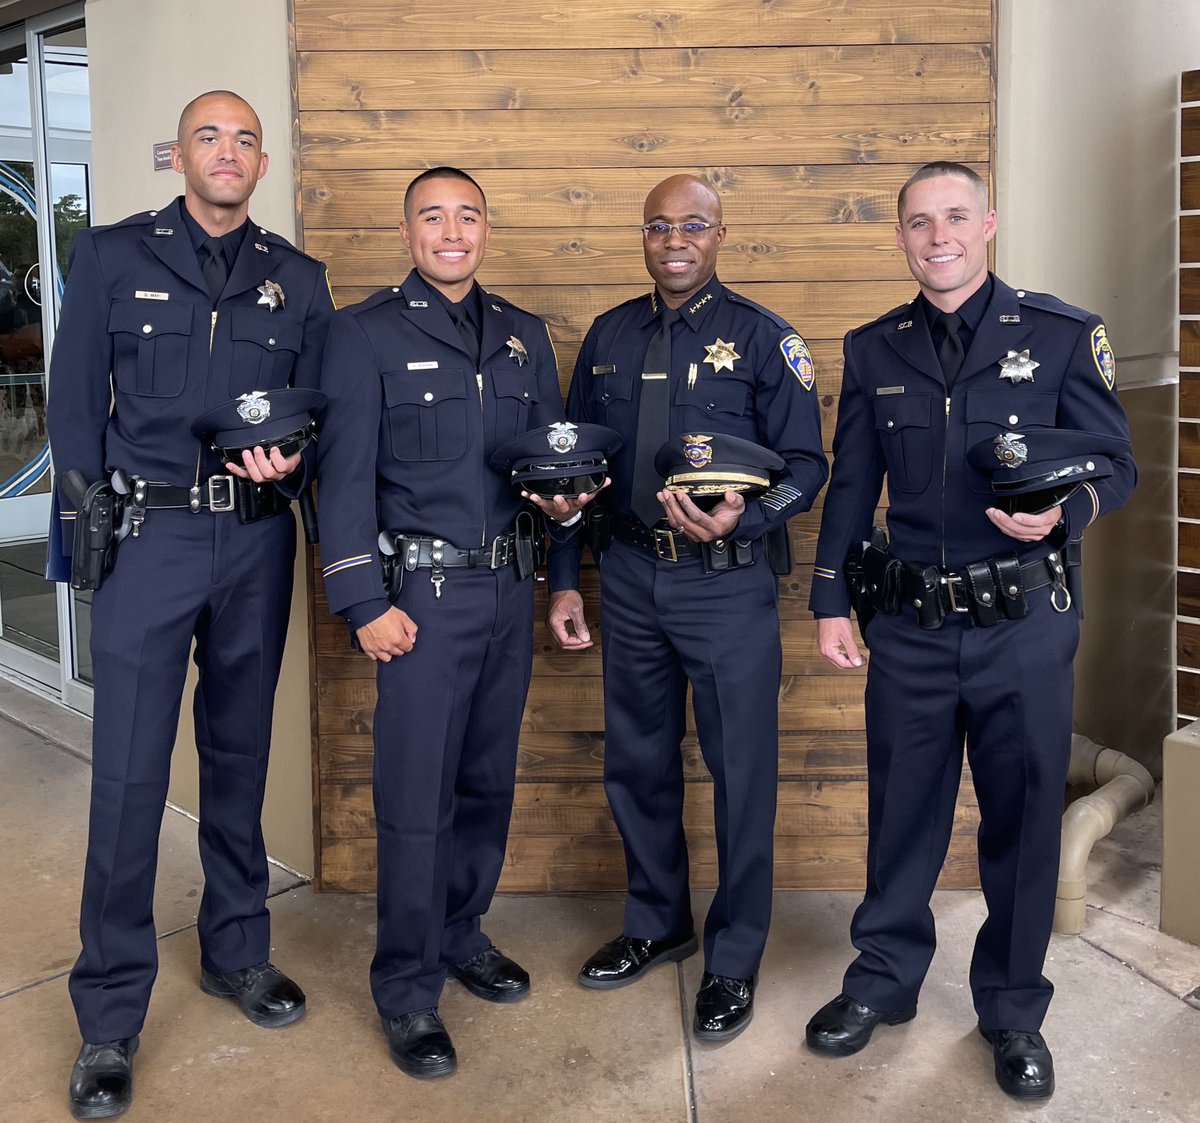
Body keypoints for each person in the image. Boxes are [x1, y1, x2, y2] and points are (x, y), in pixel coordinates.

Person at [804, 161, 1136, 1101]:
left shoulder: (1064, 335)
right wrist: (832, 597)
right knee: (901, 814)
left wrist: (1065, 516)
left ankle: (1013, 1008)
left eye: (955, 216)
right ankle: (883, 982)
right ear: (900, 237)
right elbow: (853, 481)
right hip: (908, 624)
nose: (937, 235)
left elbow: (1117, 463)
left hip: (1024, 625)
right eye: (919, 222)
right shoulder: (873, 349)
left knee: (1024, 820)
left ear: (988, 224)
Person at [45, 90, 334, 1119]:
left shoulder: (297, 279)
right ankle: (111, 1013)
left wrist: (291, 464)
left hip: (255, 539)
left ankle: (236, 951)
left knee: (240, 756)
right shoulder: (117, 257)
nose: (228, 151)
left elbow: (321, 415)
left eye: (245, 139)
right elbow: (75, 408)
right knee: (126, 776)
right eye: (210, 135)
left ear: (260, 163)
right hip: (150, 537)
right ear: (182, 153)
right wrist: (81, 551)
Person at [316, 167, 589, 1079]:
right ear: (407, 232)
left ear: (485, 229)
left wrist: (560, 567)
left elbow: (553, 468)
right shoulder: (361, 334)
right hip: (422, 605)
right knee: (415, 803)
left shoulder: (523, 336)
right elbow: (342, 479)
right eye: (433, 215)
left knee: (485, 785)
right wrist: (362, 602)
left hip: (510, 592)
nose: (452, 230)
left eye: (467, 215)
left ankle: (461, 931)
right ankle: (406, 987)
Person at [547, 174, 828, 1042]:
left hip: (728, 583)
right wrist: (564, 573)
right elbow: (573, 472)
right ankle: (657, 922)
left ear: (720, 234)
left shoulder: (763, 339)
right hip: (630, 574)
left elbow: (807, 465)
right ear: (643, 235)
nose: (675, 239)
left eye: (693, 225)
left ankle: (734, 958)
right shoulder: (607, 337)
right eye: (660, 225)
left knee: (741, 773)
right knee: (636, 759)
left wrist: (755, 513)